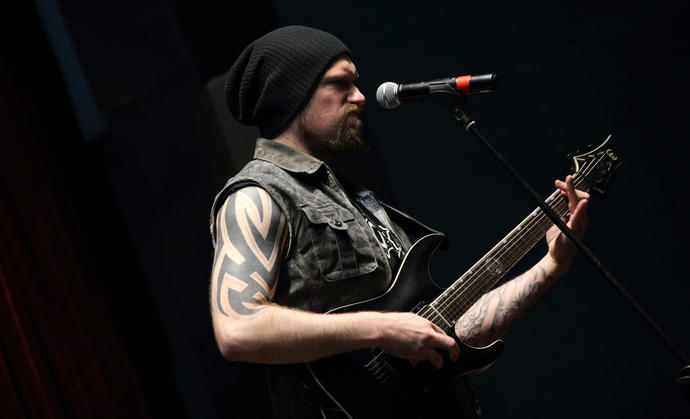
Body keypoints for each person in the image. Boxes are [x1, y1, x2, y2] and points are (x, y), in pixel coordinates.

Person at [209, 26, 589, 418]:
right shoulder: (256, 197)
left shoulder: (356, 200)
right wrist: (382, 328)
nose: (360, 96)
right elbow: (237, 330)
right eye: (340, 83)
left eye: (356, 83)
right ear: (291, 95)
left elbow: (446, 335)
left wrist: (552, 265)